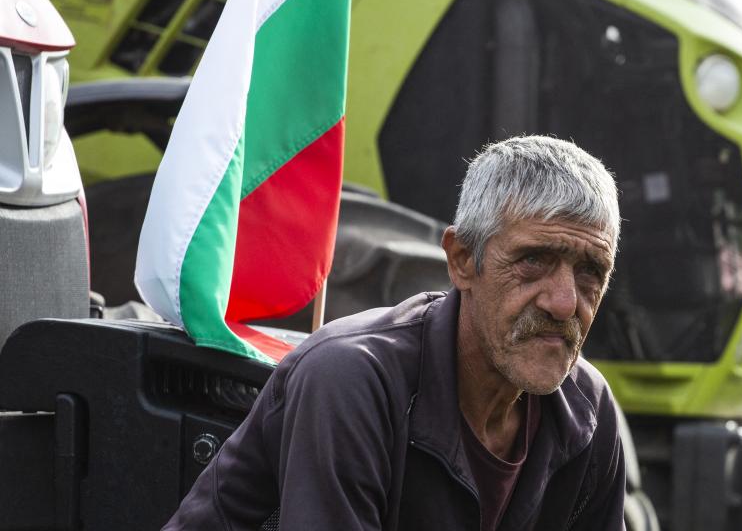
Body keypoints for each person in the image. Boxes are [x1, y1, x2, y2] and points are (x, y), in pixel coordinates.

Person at [165, 136, 626, 530]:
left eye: (590, 271)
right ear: (462, 260)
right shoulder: (351, 378)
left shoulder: (585, 408)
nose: (565, 302)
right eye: (533, 261)